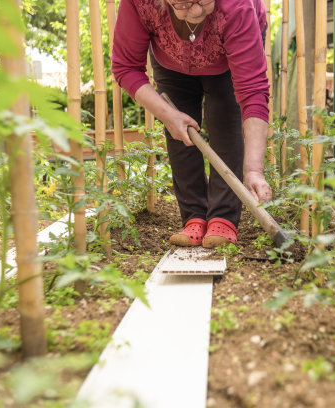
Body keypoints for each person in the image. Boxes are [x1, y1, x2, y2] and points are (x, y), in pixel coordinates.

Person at [112, 0, 272, 248]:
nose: (196, 11)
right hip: (170, 58)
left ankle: (223, 216)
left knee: (224, 117)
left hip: (226, 58)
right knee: (180, 130)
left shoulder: (236, 7)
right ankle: (194, 216)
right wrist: (167, 114)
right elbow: (126, 67)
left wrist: (254, 170)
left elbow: (253, 91)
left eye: (204, 0)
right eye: (184, 3)